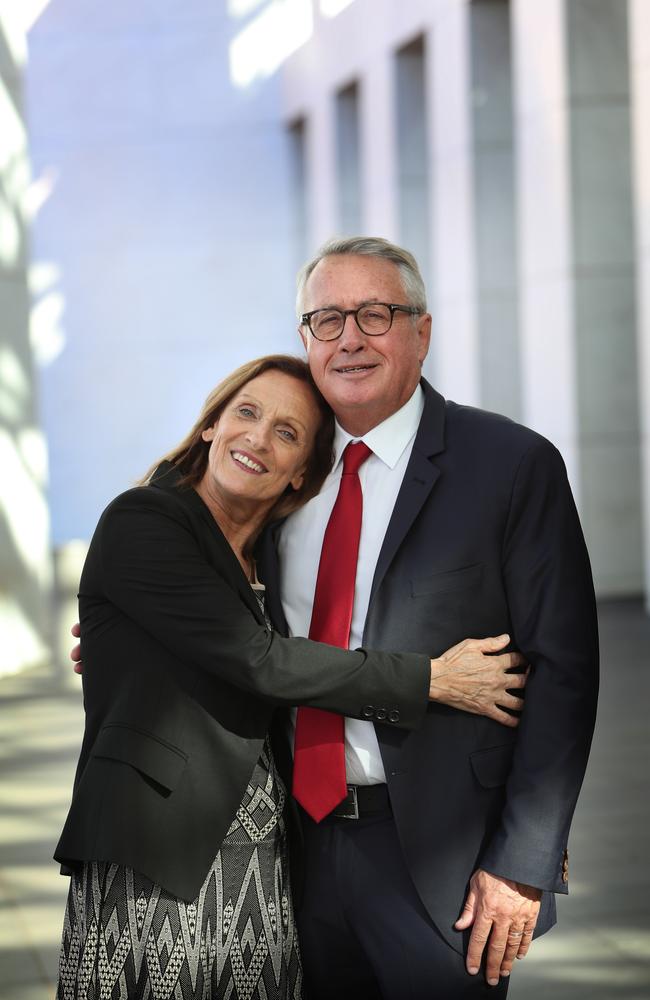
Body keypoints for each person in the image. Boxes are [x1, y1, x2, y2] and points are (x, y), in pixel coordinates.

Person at [57, 353, 527, 1000]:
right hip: (160, 849)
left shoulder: (267, 552)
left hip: (265, 854)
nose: (257, 437)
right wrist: (430, 680)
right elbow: (259, 659)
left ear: (302, 470)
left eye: (287, 432)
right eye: (245, 413)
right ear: (210, 427)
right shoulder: (144, 519)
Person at [252, 237, 599, 999]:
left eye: (375, 314)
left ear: (423, 331)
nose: (349, 338)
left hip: (443, 863)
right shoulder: (283, 470)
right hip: (293, 850)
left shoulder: (510, 465)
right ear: (305, 338)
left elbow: (564, 675)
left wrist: (522, 861)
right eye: (327, 319)